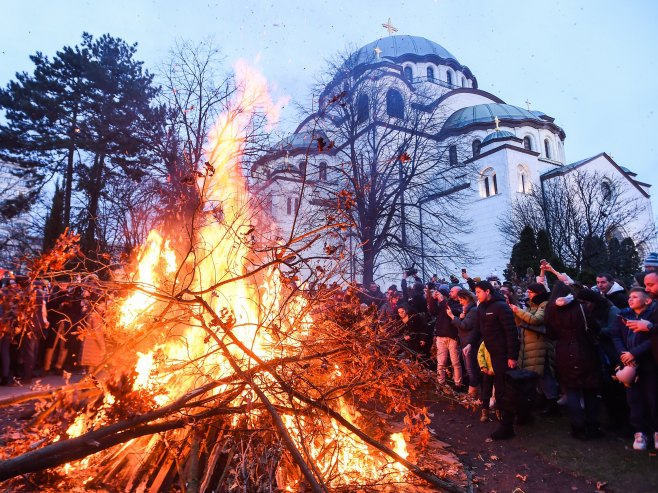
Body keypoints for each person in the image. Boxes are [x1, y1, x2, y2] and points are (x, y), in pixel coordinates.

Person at [545, 281, 603, 440]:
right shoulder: (581, 307)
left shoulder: (550, 310)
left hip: (563, 350)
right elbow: (594, 328)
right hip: (585, 350)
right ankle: (593, 426)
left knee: (572, 390)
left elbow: (550, 334)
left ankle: (578, 427)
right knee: (590, 389)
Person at [610, 288, 657, 450]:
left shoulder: (653, 317)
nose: (630, 299)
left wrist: (634, 353)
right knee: (634, 399)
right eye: (629, 297)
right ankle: (639, 432)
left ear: (647, 301)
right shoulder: (623, 314)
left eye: (635, 297)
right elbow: (615, 335)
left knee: (653, 399)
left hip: (650, 364)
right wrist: (624, 354)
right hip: (629, 365)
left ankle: (656, 431)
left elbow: (653, 338)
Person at [474, 280, 520, 440]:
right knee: (497, 388)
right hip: (491, 354)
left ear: (488, 291)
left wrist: (512, 356)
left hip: (503, 355)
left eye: (479, 292)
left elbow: (511, 332)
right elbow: (480, 330)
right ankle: (508, 419)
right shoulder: (481, 308)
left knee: (504, 389)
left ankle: (507, 427)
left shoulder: (501, 307)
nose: (477, 295)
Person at [509, 282, 559, 419]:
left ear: (538, 293)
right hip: (530, 344)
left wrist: (517, 311)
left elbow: (536, 320)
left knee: (545, 376)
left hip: (540, 345)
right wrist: (516, 314)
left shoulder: (545, 305)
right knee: (536, 376)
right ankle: (543, 400)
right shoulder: (532, 305)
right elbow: (522, 322)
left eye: (530, 292)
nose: (528, 294)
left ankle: (552, 403)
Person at [427, 285, 463, 388]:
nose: (450, 292)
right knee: (441, 362)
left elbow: (450, 312)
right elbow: (433, 311)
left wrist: (442, 301)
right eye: (450, 291)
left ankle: (458, 384)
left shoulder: (459, 304)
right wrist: (433, 300)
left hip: (452, 337)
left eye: (452, 291)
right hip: (441, 336)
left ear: (458, 293)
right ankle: (440, 382)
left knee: (455, 362)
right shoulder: (447, 302)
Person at [447, 289, 481, 397]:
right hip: (467, 342)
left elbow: (464, 326)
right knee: (470, 368)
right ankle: (474, 393)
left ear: (466, 299)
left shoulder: (473, 311)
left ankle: (473, 394)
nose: (460, 302)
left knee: (471, 369)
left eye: (461, 300)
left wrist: (452, 316)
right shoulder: (469, 310)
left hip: (470, 343)